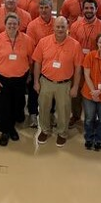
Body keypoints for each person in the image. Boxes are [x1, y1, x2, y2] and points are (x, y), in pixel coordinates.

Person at [33, 17, 83, 148]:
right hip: (46, 81)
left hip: (64, 84)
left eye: (63, 27)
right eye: (58, 26)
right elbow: (37, 62)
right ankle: (45, 130)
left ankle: (62, 133)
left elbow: (78, 68)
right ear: (53, 27)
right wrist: (36, 82)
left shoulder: (75, 45)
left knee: (64, 110)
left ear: (67, 28)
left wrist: (75, 87)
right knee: (43, 107)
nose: (60, 29)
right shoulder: (43, 42)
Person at [0, 12, 36, 146]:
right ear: (5, 25)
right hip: (2, 78)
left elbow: (31, 60)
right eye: (9, 23)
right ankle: (5, 131)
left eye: (15, 24)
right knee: (4, 106)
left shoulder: (27, 40)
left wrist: (30, 74)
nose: (12, 26)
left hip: (20, 79)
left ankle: (11, 127)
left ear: (19, 25)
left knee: (17, 103)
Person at [68, 0, 101, 126]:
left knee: (92, 92)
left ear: (96, 9)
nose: (89, 10)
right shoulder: (75, 25)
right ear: (83, 10)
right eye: (86, 8)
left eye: (92, 8)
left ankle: (91, 119)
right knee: (76, 91)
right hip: (78, 65)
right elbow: (71, 46)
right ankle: (76, 116)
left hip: (94, 66)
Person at [25, 0, 55, 127]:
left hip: (53, 65)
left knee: (52, 91)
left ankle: (50, 114)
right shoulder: (32, 25)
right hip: (37, 63)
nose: (43, 10)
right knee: (34, 90)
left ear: (51, 8)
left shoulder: (57, 23)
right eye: (41, 8)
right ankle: (33, 114)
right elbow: (30, 47)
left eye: (46, 7)